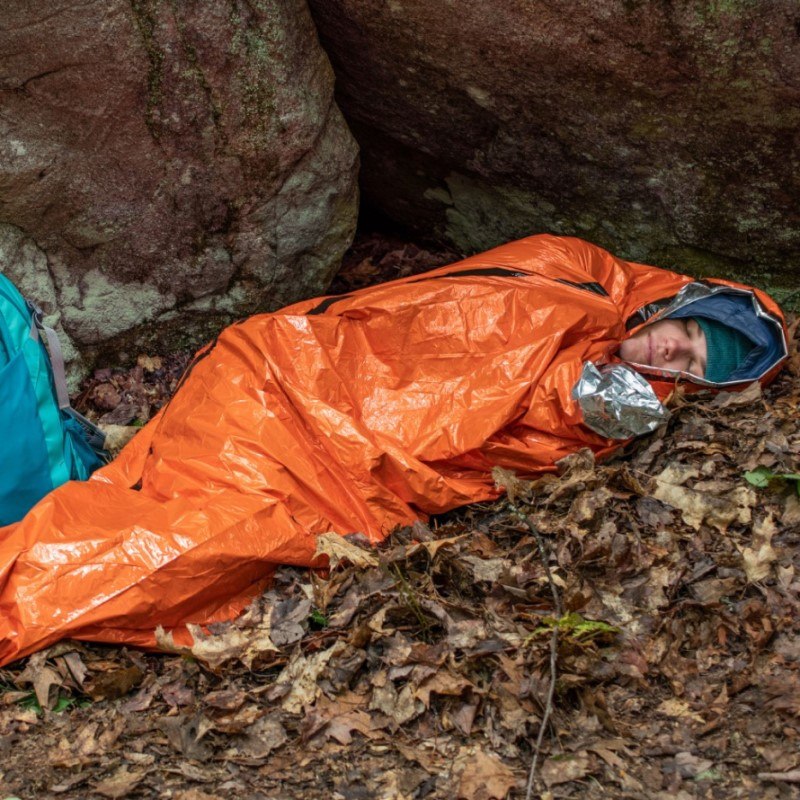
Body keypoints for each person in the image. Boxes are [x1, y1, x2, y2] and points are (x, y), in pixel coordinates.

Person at [0, 234, 787, 666]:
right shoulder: (576, 281)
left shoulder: (620, 406)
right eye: (681, 340)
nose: (668, 360)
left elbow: (481, 461)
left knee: (191, 549)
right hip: (289, 388)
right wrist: (572, 389)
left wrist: (587, 408)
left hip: (330, 472)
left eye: (688, 371)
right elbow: (452, 353)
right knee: (183, 543)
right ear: (677, 306)